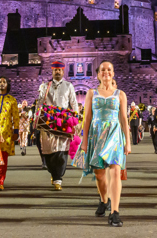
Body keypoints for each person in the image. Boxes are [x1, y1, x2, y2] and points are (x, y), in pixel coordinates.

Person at [76, 61, 130, 227]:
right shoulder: (91, 93)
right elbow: (87, 119)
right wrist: (84, 142)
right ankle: (103, 200)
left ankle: (115, 212)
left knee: (115, 171)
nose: (106, 72)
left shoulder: (120, 94)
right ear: (98, 74)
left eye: (109, 69)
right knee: (100, 175)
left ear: (113, 73)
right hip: (96, 134)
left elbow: (123, 119)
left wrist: (128, 142)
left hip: (114, 134)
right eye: (103, 70)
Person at [37, 60, 79, 190]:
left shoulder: (69, 86)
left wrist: (76, 120)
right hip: (48, 122)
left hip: (63, 122)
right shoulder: (45, 86)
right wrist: (37, 119)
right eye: (55, 70)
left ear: (63, 70)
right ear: (52, 70)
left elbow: (74, 103)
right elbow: (39, 104)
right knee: (48, 150)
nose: (57, 72)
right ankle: (53, 173)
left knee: (62, 150)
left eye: (59, 70)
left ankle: (58, 178)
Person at [0, 76, 19, 190]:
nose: (2, 84)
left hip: (6, 133)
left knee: (3, 158)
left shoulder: (12, 100)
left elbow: (16, 117)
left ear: (7, 85)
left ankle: (0, 181)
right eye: (0, 82)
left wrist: (16, 131)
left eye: (4, 82)